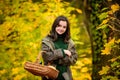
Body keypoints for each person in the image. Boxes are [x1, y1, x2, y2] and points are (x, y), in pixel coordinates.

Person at [41, 15, 78, 80]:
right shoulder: (47, 41)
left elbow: (74, 59)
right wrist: (63, 52)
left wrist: (56, 58)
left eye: (64, 27)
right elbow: (46, 57)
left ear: (66, 29)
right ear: (55, 26)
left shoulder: (69, 42)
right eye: (59, 26)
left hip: (65, 76)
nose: (61, 29)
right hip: (50, 76)